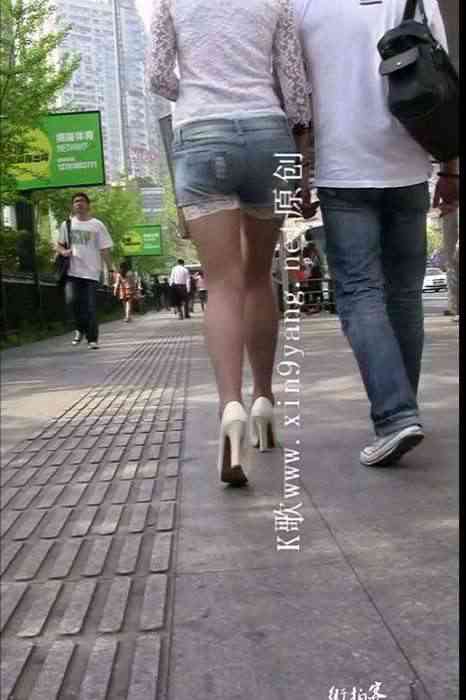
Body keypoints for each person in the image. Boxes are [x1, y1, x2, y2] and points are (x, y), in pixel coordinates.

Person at [150, 0, 311, 485]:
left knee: (222, 283)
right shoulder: (277, 2)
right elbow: (296, 91)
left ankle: (230, 408)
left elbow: (158, 76)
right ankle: (264, 397)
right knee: (259, 275)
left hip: (201, 134)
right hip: (269, 136)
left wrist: (196, 88)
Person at [293, 0, 459, 466]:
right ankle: (402, 412)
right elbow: (445, 83)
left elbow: (295, 99)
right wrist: (450, 168)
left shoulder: (302, 5)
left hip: (342, 169)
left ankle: (396, 415)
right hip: (408, 165)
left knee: (359, 293)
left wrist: (298, 176)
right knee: (403, 296)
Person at [57, 192, 113, 350]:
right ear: (72, 206)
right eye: (76, 201)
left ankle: (92, 339)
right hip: (72, 272)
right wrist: (63, 251)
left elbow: (104, 249)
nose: (79, 203)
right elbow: (59, 245)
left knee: (90, 307)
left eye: (82, 201)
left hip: (92, 272)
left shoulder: (97, 225)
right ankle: (80, 328)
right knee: (72, 302)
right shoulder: (67, 224)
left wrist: (111, 270)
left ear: (88, 205)